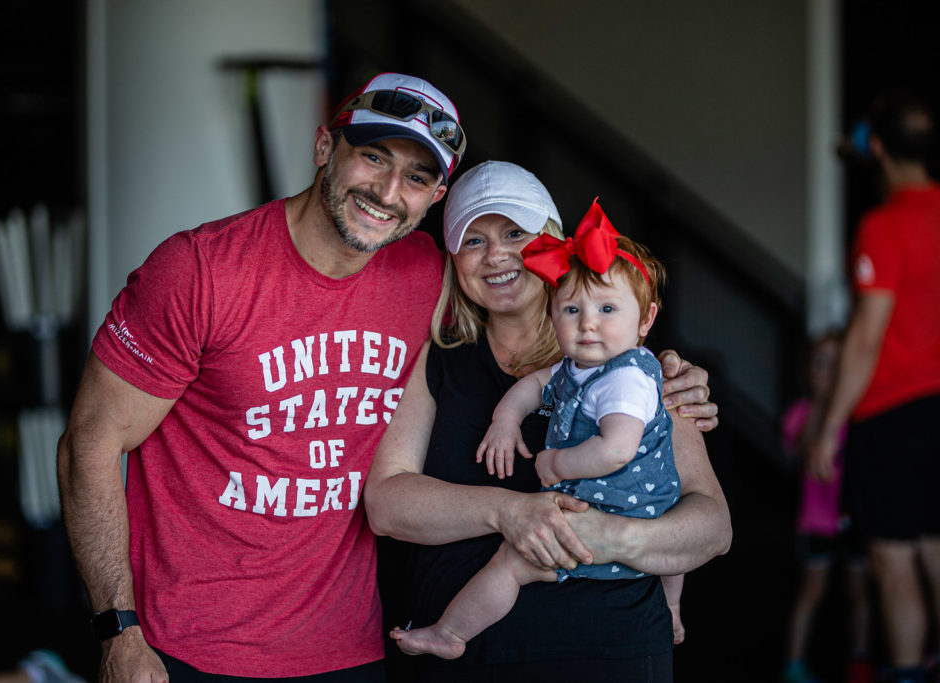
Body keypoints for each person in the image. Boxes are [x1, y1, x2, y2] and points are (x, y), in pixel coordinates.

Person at [57, 75, 717, 682]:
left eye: (417, 176)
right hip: (195, 645)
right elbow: (89, 442)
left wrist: (664, 373)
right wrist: (118, 627)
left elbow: (705, 513)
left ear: (433, 198)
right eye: (373, 156)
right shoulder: (206, 272)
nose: (386, 189)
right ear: (325, 146)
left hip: (350, 648)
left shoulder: (434, 283)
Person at [365, 161, 731, 682]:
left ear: (553, 245)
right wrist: (510, 512)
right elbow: (385, 504)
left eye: (514, 233)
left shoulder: (633, 364)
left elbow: (714, 527)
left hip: (611, 654)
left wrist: (613, 538)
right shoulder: (440, 359)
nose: (496, 254)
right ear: (454, 260)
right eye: (473, 240)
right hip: (465, 664)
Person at [808, 92, 940, 683]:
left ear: (878, 148)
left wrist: (829, 426)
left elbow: (865, 338)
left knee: (891, 556)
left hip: (894, 414)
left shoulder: (884, 225)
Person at [781, 334, 871, 683]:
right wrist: (822, 406)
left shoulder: (857, 413)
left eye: (837, 365)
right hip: (816, 522)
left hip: (854, 518)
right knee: (811, 592)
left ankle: (861, 660)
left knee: (860, 593)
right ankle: (794, 664)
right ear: (808, 372)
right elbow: (803, 449)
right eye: (821, 364)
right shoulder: (801, 413)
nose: (830, 373)